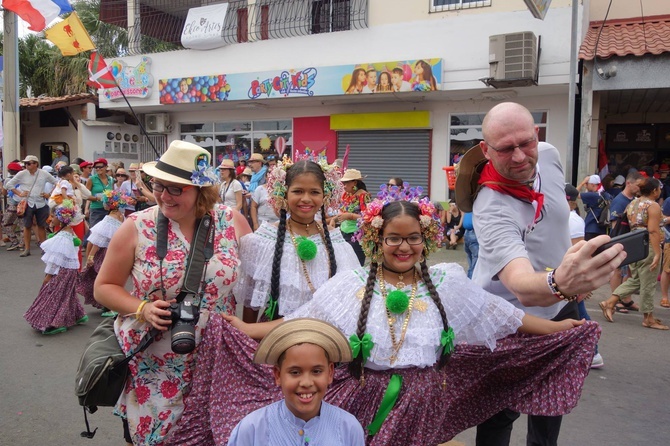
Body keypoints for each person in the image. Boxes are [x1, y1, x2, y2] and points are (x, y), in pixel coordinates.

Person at [166, 187, 601, 446]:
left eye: (413, 238)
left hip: (426, 399)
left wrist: (558, 327)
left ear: (426, 239)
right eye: (393, 238)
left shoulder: (447, 281)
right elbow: (299, 322)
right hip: (365, 398)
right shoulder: (352, 284)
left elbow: (505, 317)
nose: (404, 247)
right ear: (377, 240)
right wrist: (241, 327)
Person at [455, 102, 625, 446]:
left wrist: (570, 274)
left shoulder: (548, 155)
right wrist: (563, 281)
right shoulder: (491, 206)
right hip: (507, 317)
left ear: (537, 135)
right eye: (505, 149)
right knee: (499, 414)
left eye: (525, 143)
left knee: (550, 406)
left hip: (561, 301)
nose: (519, 157)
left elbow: (555, 224)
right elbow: (522, 287)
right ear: (486, 151)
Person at [94, 141, 252, 446]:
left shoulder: (232, 222)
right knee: (158, 437)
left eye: (176, 188)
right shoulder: (136, 227)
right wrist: (143, 309)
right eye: (158, 185)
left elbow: (255, 286)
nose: (164, 195)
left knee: (216, 433)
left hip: (219, 357)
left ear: (201, 191)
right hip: (157, 362)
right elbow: (104, 287)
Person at [237, 158, 358, 323]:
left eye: (314, 192)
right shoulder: (264, 239)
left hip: (323, 335)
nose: (306, 199)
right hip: (275, 335)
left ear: (325, 195)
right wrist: (248, 338)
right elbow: (251, 302)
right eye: (298, 191)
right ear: (283, 193)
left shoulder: (337, 242)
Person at [227, 319, 365, 446]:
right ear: (278, 375)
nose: (306, 382)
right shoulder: (253, 428)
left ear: (330, 373)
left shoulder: (348, 428)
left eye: (316, 371)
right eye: (295, 372)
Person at [599, 177, 667, 330]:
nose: (660, 191)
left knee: (636, 279)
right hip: (650, 244)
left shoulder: (633, 203)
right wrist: (657, 252)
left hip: (636, 245)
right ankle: (648, 318)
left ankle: (609, 302)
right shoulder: (653, 205)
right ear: (654, 191)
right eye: (659, 189)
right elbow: (653, 230)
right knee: (648, 282)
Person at [24, 200, 87, 335]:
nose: (50, 219)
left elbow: (56, 259)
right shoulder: (68, 232)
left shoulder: (63, 236)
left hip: (62, 271)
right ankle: (78, 315)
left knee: (54, 296)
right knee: (66, 294)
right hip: (70, 270)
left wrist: (49, 275)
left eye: (52, 216)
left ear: (61, 218)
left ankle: (54, 323)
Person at [565, 183, 603, 368]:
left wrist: (581, 284)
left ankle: (593, 352)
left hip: (569, 277)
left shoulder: (572, 220)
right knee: (575, 314)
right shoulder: (568, 217)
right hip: (562, 274)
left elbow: (578, 252)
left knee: (579, 314)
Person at [76, 189, 129, 311]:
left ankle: (108, 304)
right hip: (116, 252)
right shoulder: (122, 217)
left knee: (101, 277)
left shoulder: (109, 219)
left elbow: (98, 240)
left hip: (104, 252)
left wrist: (90, 257)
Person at [5, 155, 58, 257]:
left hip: (41, 202)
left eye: (29, 163)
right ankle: (27, 249)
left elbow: (57, 183)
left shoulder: (44, 173)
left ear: (36, 164)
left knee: (42, 225)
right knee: (27, 226)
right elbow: (9, 185)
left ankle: (44, 248)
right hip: (28, 202)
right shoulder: (22, 174)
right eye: (26, 163)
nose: (27, 165)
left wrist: (49, 194)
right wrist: (19, 193)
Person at [608, 171, 643, 312]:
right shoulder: (619, 200)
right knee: (617, 270)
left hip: (631, 240)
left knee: (628, 271)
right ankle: (614, 300)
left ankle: (626, 299)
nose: (639, 188)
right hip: (621, 240)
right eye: (638, 185)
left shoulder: (633, 200)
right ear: (629, 183)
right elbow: (614, 225)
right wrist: (617, 244)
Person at [331, 168, 370, 266]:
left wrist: (351, 216)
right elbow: (343, 213)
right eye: (343, 183)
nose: (344, 186)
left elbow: (367, 218)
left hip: (357, 235)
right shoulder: (346, 195)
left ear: (354, 183)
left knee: (356, 263)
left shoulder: (363, 196)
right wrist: (334, 219)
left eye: (346, 183)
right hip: (343, 232)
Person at [577, 174, 613, 240]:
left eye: (587, 184)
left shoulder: (592, 195)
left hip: (591, 228)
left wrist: (582, 183)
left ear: (592, 185)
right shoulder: (607, 195)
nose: (586, 186)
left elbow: (573, 194)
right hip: (603, 229)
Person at [2, 162, 26, 252]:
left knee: (5, 222)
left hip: (13, 204)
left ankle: (14, 240)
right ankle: (22, 243)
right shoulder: (23, 179)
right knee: (22, 224)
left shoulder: (8, 180)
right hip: (23, 204)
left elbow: (4, 192)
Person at [86, 158, 113, 228]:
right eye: (96, 167)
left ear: (106, 167)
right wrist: (97, 198)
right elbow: (86, 195)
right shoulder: (92, 179)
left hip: (109, 210)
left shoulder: (110, 179)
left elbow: (113, 193)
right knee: (94, 232)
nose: (98, 169)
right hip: (96, 210)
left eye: (100, 167)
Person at [461, 211, 479, 279]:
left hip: (467, 234)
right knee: (474, 265)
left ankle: (469, 279)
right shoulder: (479, 206)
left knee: (471, 261)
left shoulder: (468, 207)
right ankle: (471, 281)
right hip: (474, 233)